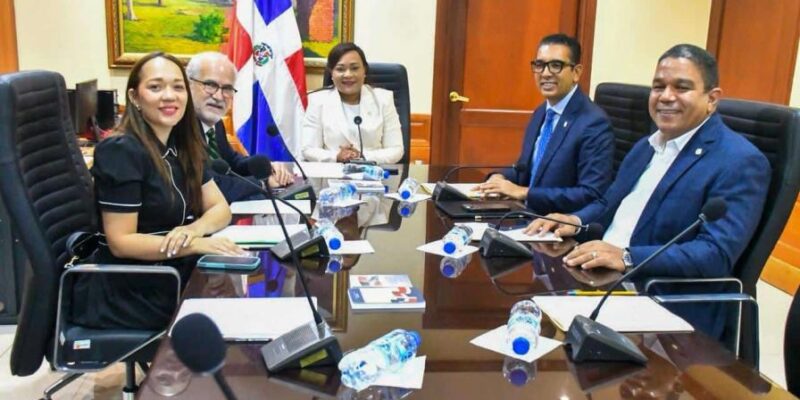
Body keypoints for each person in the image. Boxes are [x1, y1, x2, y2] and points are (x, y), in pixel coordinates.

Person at [525, 44, 771, 338]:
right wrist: (574, 221)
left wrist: (627, 257)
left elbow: (714, 254)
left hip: (658, 301)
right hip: (600, 278)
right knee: (521, 307)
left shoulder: (740, 161)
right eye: (658, 86)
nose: (665, 96)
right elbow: (607, 205)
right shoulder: (647, 146)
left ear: (712, 99)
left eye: (681, 87)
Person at [73, 52, 245, 330]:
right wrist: (193, 244)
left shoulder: (183, 143)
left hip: (170, 271)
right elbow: (121, 242)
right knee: (230, 320)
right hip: (129, 289)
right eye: (155, 87)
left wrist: (193, 230)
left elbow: (220, 208)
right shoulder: (121, 150)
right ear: (134, 97)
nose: (169, 96)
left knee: (242, 299)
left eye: (178, 87)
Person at [476, 33, 614, 214]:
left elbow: (591, 194)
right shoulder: (542, 112)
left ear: (576, 72)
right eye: (540, 65)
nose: (546, 73)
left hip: (556, 222)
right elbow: (527, 170)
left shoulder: (593, 123)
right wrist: (498, 178)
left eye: (556, 65)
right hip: (525, 213)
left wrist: (525, 192)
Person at [186, 52, 294, 203]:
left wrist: (266, 168)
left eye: (227, 88)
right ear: (188, 85)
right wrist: (262, 183)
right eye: (210, 85)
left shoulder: (215, 123)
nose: (219, 96)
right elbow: (211, 184)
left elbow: (232, 161)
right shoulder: (180, 127)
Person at [301, 42, 404, 164]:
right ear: (332, 73)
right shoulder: (318, 101)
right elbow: (308, 149)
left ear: (364, 71)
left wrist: (362, 156)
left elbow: (396, 150)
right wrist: (336, 156)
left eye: (354, 68)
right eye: (340, 69)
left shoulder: (383, 99)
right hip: (332, 172)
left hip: (373, 171)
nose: (348, 74)